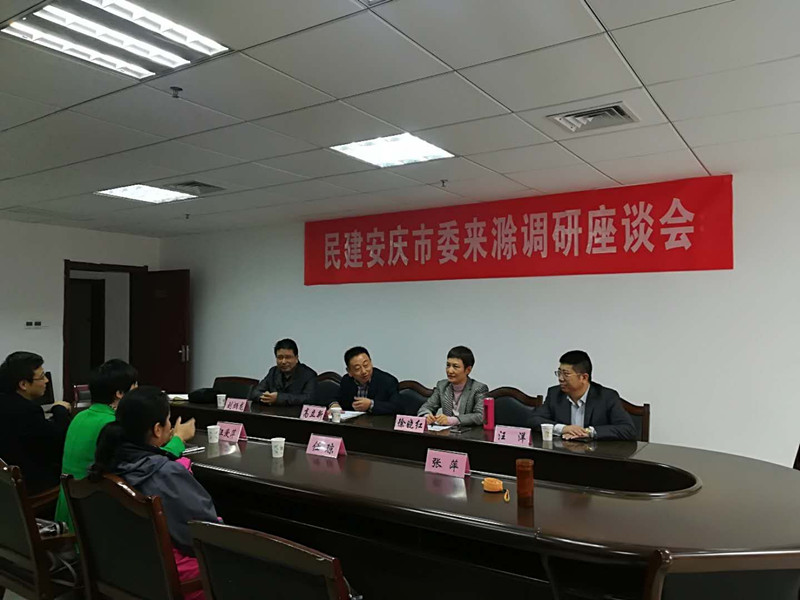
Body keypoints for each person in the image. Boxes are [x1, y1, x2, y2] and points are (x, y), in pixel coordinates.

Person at [90, 386, 216, 599]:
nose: (170, 426)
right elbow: (205, 532)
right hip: (165, 579)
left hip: (120, 571)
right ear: (158, 429)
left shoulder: (106, 463)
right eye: (168, 420)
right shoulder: (165, 473)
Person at [54, 359, 195, 528]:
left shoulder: (80, 416)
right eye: (135, 386)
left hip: (70, 509)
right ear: (120, 393)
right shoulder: (113, 425)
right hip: (92, 519)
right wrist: (179, 438)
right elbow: (149, 462)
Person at [0, 351, 72, 493]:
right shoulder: (27, 411)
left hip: (6, 486)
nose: (46, 381)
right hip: (31, 485)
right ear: (23, 384)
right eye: (42, 377)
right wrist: (59, 409)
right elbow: (58, 440)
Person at [529, 350, 636, 441]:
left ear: (584, 377)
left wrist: (589, 432)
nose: (560, 378)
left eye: (566, 374)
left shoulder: (606, 397)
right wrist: (563, 428)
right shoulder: (555, 394)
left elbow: (628, 430)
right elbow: (534, 420)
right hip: (563, 453)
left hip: (595, 455)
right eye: (559, 373)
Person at [417, 346, 489, 427]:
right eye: (448, 365)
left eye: (455, 366)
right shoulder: (442, 386)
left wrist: (453, 420)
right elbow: (426, 407)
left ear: (468, 370)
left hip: (468, 433)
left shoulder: (478, 388)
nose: (450, 371)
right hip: (447, 432)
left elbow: (480, 416)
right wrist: (427, 416)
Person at [330, 346, 399, 415]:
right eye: (357, 368)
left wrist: (371, 405)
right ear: (349, 371)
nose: (364, 371)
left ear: (371, 363)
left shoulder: (388, 381)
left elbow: (397, 407)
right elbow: (335, 397)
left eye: (366, 365)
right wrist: (334, 404)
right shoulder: (347, 381)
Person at [248, 339, 318, 406]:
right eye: (280, 357)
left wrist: (279, 398)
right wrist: (267, 397)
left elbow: (309, 399)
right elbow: (255, 393)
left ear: (296, 358)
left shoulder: (309, 375)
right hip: (272, 412)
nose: (283, 361)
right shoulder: (273, 371)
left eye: (288, 357)